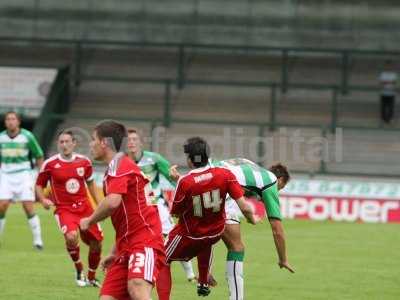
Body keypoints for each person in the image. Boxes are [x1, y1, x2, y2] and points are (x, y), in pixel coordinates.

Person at [156, 137, 256, 300]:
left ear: (189, 159)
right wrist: (253, 219)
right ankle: (203, 282)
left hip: (190, 235)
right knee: (206, 240)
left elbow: (175, 212)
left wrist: (178, 182)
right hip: (215, 232)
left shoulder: (185, 181)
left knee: (162, 259)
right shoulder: (225, 174)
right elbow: (244, 206)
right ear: (207, 156)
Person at [80, 120, 166, 300]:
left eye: (93, 139)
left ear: (104, 142)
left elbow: (112, 202)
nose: (91, 143)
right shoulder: (117, 167)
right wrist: (114, 252)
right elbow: (126, 217)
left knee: (137, 287)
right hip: (126, 246)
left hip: (145, 241)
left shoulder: (120, 166)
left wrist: (89, 221)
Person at [202, 158, 294, 300]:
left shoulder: (249, 168)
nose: (278, 191)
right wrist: (283, 259)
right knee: (236, 248)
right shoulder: (271, 182)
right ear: (280, 179)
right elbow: (277, 229)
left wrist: (251, 218)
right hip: (219, 190)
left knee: (209, 229)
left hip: (201, 181)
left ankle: (205, 272)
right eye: (281, 188)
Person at [126, 128, 196, 282]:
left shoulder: (154, 159)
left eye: (134, 139)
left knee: (174, 238)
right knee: (135, 240)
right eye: (129, 140)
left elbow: (172, 178)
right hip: (136, 209)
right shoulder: (123, 162)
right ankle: (136, 271)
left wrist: (179, 181)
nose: (131, 142)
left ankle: (191, 275)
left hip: (157, 205)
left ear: (141, 142)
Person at [36, 130, 103, 287]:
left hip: (85, 208)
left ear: (74, 143)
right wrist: (43, 200)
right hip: (64, 209)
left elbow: (91, 184)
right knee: (71, 237)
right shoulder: (50, 164)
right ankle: (79, 268)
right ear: (58, 144)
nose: (64, 145)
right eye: (61, 142)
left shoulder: (84, 162)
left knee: (97, 243)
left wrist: (99, 204)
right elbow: (39, 184)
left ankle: (92, 277)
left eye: (67, 142)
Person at [0, 111, 44, 249]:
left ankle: (38, 241)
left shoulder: (27, 136)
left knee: (28, 207)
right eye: (8, 119)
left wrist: (40, 176)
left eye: (13, 119)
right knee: (2, 206)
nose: (10, 121)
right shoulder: (1, 138)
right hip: (6, 174)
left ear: (18, 122)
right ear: (5, 122)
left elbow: (39, 155)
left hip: (24, 174)